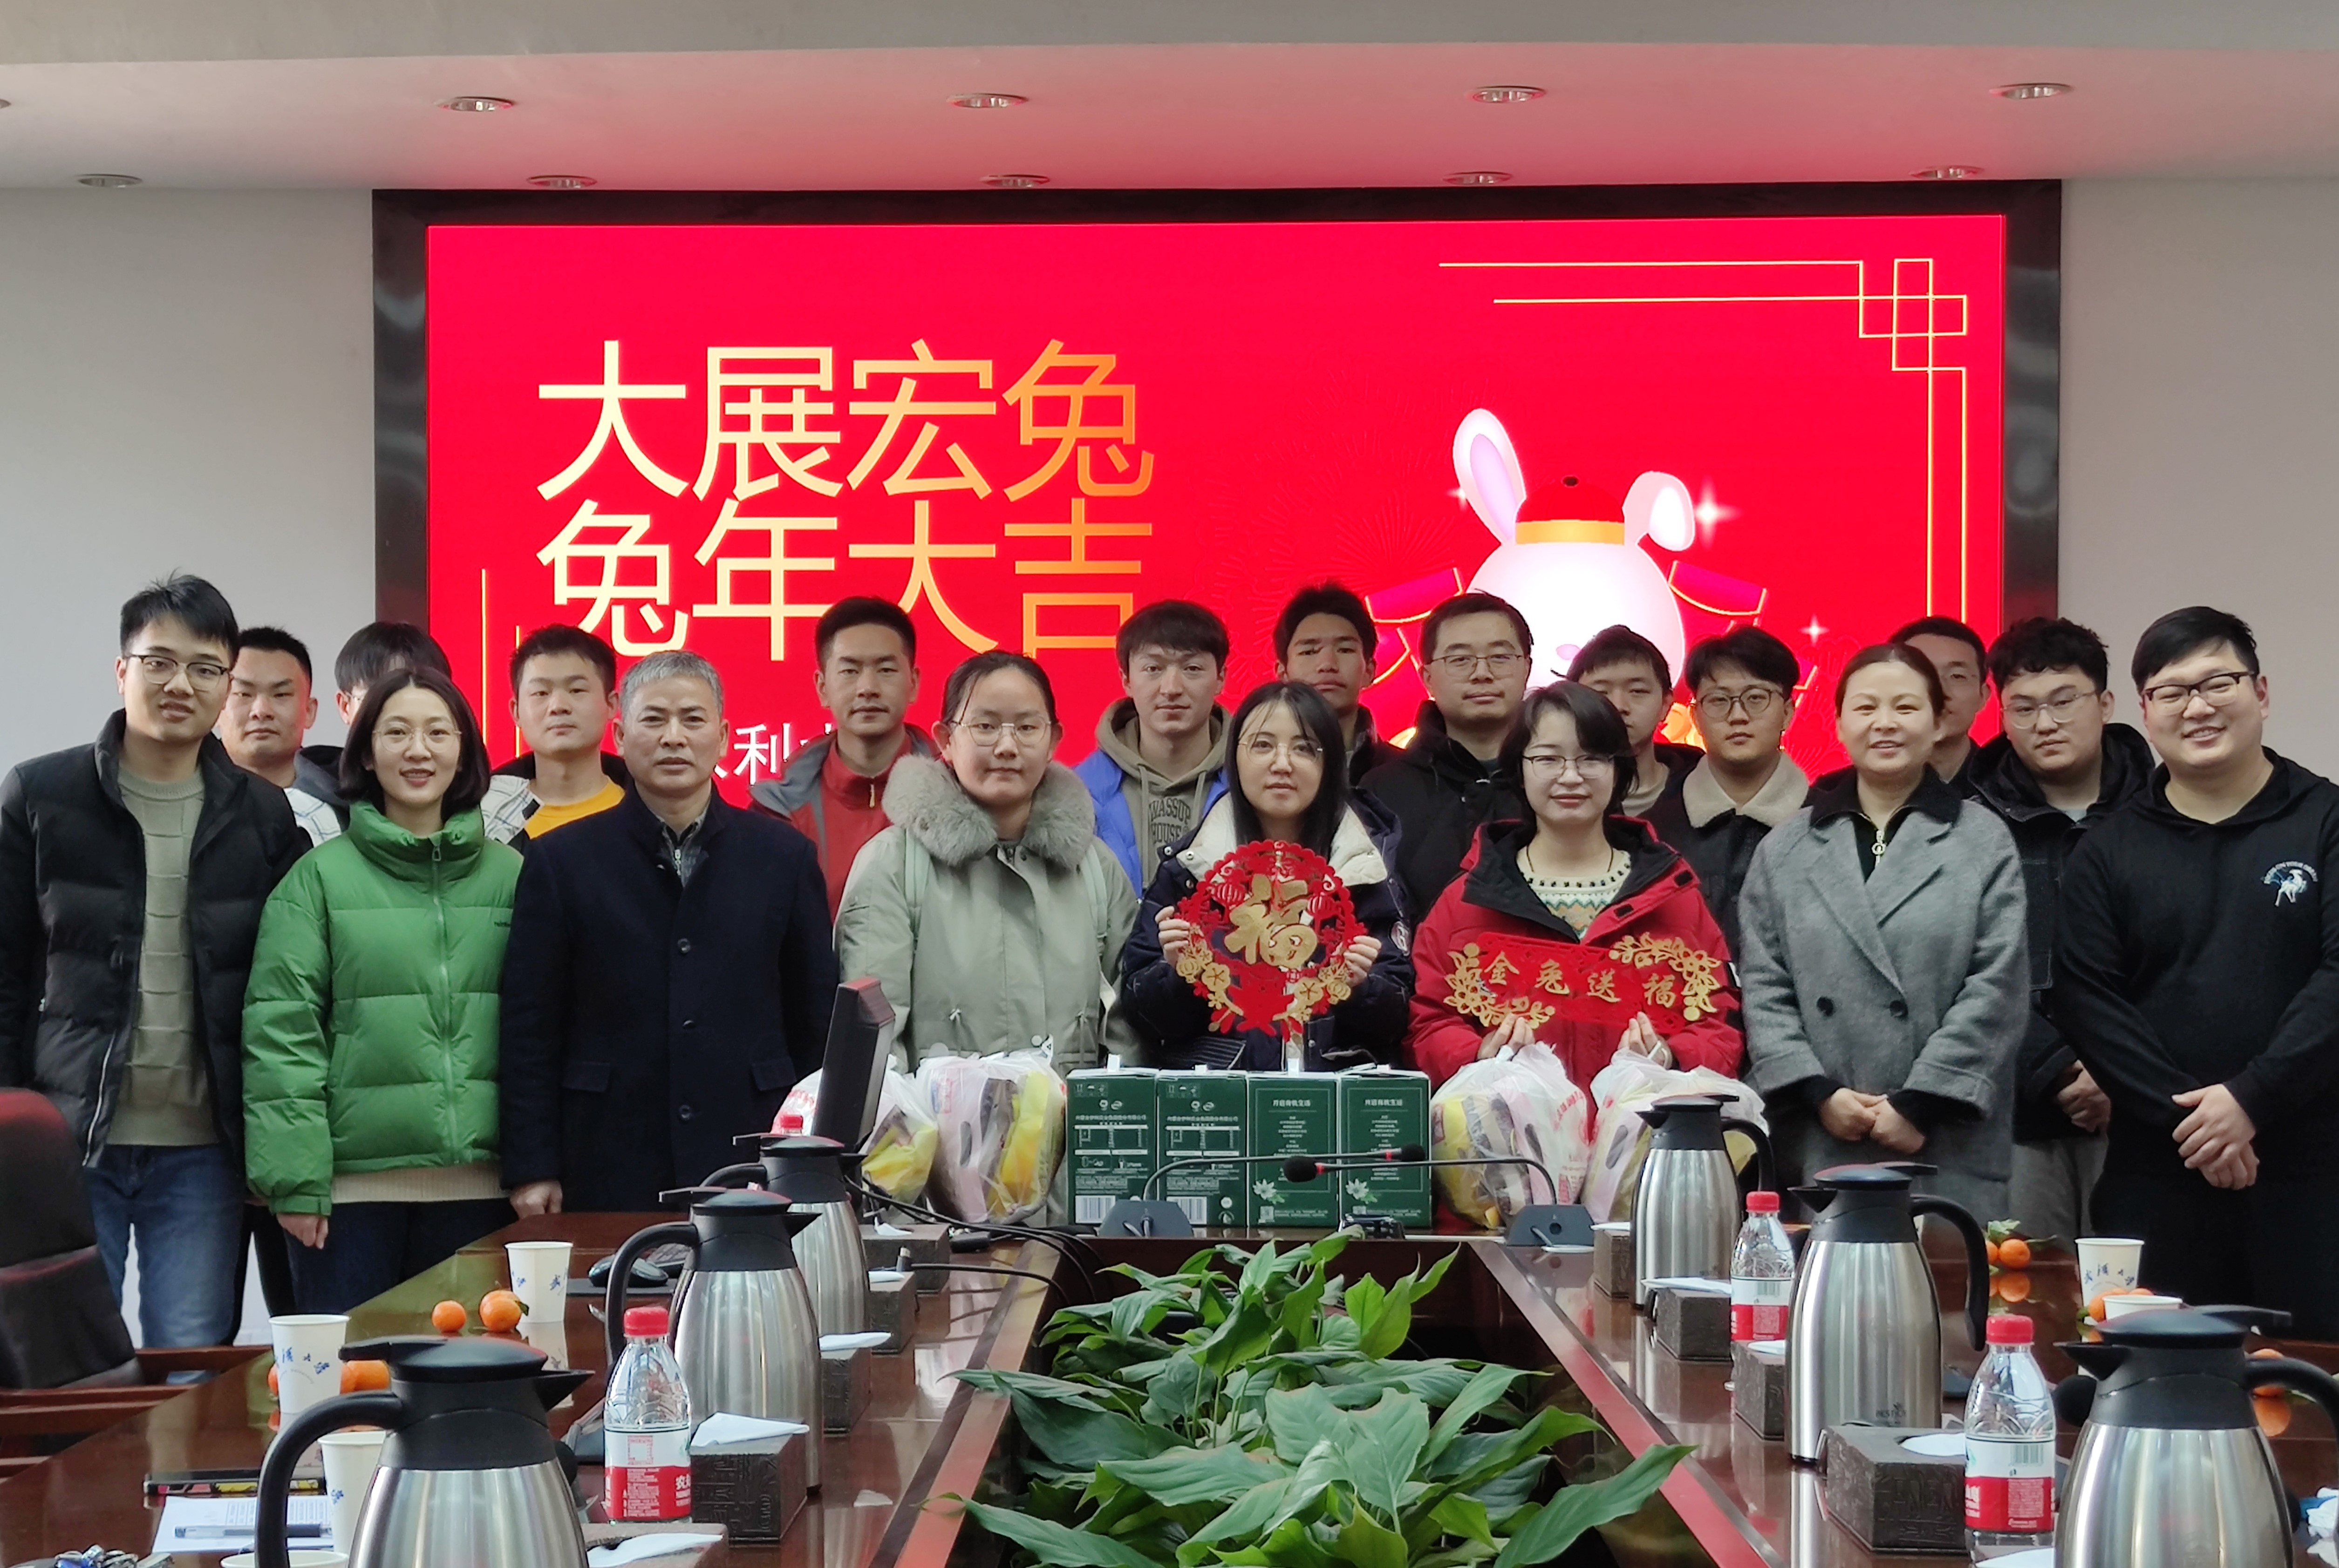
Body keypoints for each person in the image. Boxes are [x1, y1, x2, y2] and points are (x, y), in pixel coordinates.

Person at [0, 576, 304, 1346]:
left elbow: (287, 991)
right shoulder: (41, 795)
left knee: (192, 1356)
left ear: (224, 685)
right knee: (66, 1360)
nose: (180, 684)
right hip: (68, 1139)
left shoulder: (261, 814)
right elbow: (4, 971)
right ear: (121, 670)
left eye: (205, 668)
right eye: (159, 661)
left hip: (203, 1148)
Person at [2051, 607, 2339, 1334]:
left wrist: (2250, 1098)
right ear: (2145, 712)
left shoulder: (2325, 820)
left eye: (2218, 683)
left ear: (2261, 692)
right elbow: (2088, 997)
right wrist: (2198, 1121)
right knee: (2154, 1382)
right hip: (2158, 1176)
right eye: (2173, 691)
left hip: (2310, 1176)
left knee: (2309, 1382)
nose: (2198, 706)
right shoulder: (2107, 849)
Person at [499, 652, 836, 1215]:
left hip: (751, 1142)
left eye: (692, 719)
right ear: (621, 736)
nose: (673, 737)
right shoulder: (562, 860)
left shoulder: (783, 856)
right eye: (653, 720)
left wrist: (815, 1156)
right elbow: (530, 1026)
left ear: (723, 738)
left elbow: (815, 1022)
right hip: (607, 1149)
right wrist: (533, 1166)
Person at [241, 669, 522, 1313]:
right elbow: (282, 1033)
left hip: (484, 1194)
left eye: (437, 733)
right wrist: (296, 1178)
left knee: (473, 1373)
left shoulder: (513, 875)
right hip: (350, 1202)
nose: (418, 750)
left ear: (464, 752)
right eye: (396, 733)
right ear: (366, 752)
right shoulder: (318, 878)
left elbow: (543, 1030)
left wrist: (539, 1166)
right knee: (353, 1373)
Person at [1738, 644, 2028, 1217]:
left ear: (1938, 721)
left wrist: (1920, 1102)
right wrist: (1818, 1094)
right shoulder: (1785, 848)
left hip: (1942, 1137)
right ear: (1838, 723)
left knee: (1944, 1273)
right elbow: (1764, 986)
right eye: (1866, 707)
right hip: (1821, 1133)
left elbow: (1996, 987)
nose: (1885, 723)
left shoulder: (1982, 840)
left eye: (1905, 707)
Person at [1407, 682, 1743, 1088]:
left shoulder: (1672, 894)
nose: (1570, 776)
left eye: (1591, 758)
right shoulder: (1466, 901)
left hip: (1643, 1125)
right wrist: (1477, 1055)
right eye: (1548, 758)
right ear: (1519, 769)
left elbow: (1720, 1022)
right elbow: (1429, 1022)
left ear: (1618, 770)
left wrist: (1672, 1057)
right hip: (1514, 1128)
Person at [837, 652, 1139, 1072]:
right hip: (936, 1117)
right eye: (985, 727)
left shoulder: (1094, 867)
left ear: (1053, 740)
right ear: (946, 739)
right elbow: (874, 1048)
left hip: (1072, 1116)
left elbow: (1127, 1034)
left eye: (1027, 728)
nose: (1007, 747)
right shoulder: (893, 864)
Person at [1121, 682, 1414, 1072]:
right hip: (1223, 1098)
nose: (1282, 763)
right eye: (1262, 745)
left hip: (1332, 1096)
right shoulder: (1190, 870)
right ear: (1234, 757)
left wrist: (1360, 988)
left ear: (1329, 764)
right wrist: (1177, 975)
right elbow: (1144, 1018)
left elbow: (1399, 1018)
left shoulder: (1364, 869)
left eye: (1304, 748)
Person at [1970, 617, 2152, 1242]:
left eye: (2063, 700)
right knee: (2022, 1284)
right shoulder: (1970, 827)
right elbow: (1960, 971)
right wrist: (2055, 1067)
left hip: (2142, 1109)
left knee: (2138, 1288)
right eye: (2023, 708)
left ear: (2105, 703)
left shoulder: (2165, 810)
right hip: (2014, 1112)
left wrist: (2113, 1071)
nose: (2044, 723)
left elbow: (2187, 964)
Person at [752, 597, 936, 916]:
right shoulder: (778, 813)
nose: (868, 688)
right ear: (823, 687)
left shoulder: (957, 798)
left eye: (886, 670)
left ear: (914, 683)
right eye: (850, 671)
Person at [1362, 592, 1533, 921]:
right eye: (1460, 659)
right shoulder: (1382, 791)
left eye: (1499, 657)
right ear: (1427, 677)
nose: (1482, 673)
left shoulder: (1566, 779)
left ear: (1526, 667)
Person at [1645, 628, 1809, 957]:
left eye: (1756, 698)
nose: (1738, 716)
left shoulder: (1827, 824)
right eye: (1719, 701)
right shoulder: (1654, 831)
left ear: (1788, 713)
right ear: (1695, 717)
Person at [1075, 600, 1230, 889]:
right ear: (1126, 680)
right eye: (1153, 669)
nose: (1171, 689)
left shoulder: (1252, 787)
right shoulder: (1078, 793)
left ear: (1221, 678)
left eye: (1192, 668)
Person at [480, 624, 630, 846]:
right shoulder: (481, 821)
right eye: (541, 693)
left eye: (577, 690)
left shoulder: (653, 809)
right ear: (516, 712)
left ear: (611, 704)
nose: (558, 706)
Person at [219, 626, 344, 845]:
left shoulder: (348, 805)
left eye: (281, 694)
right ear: (217, 705)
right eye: (244, 694)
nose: (261, 711)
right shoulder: (188, 797)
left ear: (309, 711)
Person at [1568, 624, 1703, 818]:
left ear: (1666, 705)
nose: (1619, 706)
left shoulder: (1707, 786)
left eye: (1637, 691)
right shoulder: (1550, 795)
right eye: (1601, 693)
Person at [1273, 583, 1402, 783]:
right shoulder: (1258, 772)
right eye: (1309, 652)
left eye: (1345, 650)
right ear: (1283, 673)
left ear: (1369, 671)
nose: (1327, 665)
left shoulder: (1407, 776)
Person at [301, 621, 452, 783]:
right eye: (378, 698)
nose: (398, 713)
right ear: (345, 707)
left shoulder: (464, 793)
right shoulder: (307, 798)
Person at [1892, 615, 1990, 791]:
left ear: (1983, 696)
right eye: (1921, 673)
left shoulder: (2011, 794)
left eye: (1957, 676)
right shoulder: (1844, 795)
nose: (1940, 692)